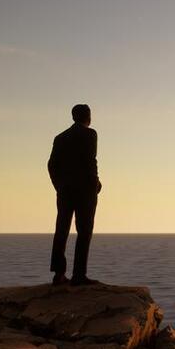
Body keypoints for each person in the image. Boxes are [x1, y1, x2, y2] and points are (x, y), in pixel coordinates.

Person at [48, 104, 102, 285]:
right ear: (88, 117)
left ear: (73, 117)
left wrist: (58, 185)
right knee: (84, 231)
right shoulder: (90, 134)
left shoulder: (60, 137)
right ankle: (79, 275)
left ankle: (59, 274)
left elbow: (51, 165)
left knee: (61, 229)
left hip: (65, 190)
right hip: (85, 190)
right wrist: (95, 183)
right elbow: (90, 161)